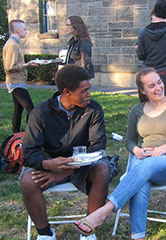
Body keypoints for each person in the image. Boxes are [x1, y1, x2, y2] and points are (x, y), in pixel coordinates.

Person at [72, 67, 166, 239]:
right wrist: (136, 149)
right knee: (140, 184)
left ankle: (104, 210)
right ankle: (138, 236)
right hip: (143, 159)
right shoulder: (136, 111)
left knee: (142, 169)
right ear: (142, 90)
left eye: (159, 82)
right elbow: (130, 141)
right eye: (151, 85)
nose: (158, 88)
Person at [20, 64, 111, 240]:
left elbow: (97, 147)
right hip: (49, 163)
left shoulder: (93, 109)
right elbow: (29, 152)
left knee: (103, 171)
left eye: (89, 89)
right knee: (28, 181)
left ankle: (88, 230)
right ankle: (45, 234)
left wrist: (66, 171)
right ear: (67, 92)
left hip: (84, 164)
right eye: (84, 91)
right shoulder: (40, 113)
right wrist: (47, 164)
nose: (89, 94)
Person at [136, 0, 166, 96]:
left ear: (154, 12)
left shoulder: (143, 32)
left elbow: (141, 56)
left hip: (149, 76)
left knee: (151, 108)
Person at [2, 19, 39, 133]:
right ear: (17, 30)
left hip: (17, 81)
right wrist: (27, 64)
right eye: (24, 29)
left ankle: (16, 134)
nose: (26, 31)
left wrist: (27, 64)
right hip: (15, 82)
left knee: (18, 109)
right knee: (30, 109)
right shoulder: (12, 45)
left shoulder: (14, 43)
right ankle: (29, 134)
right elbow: (10, 66)